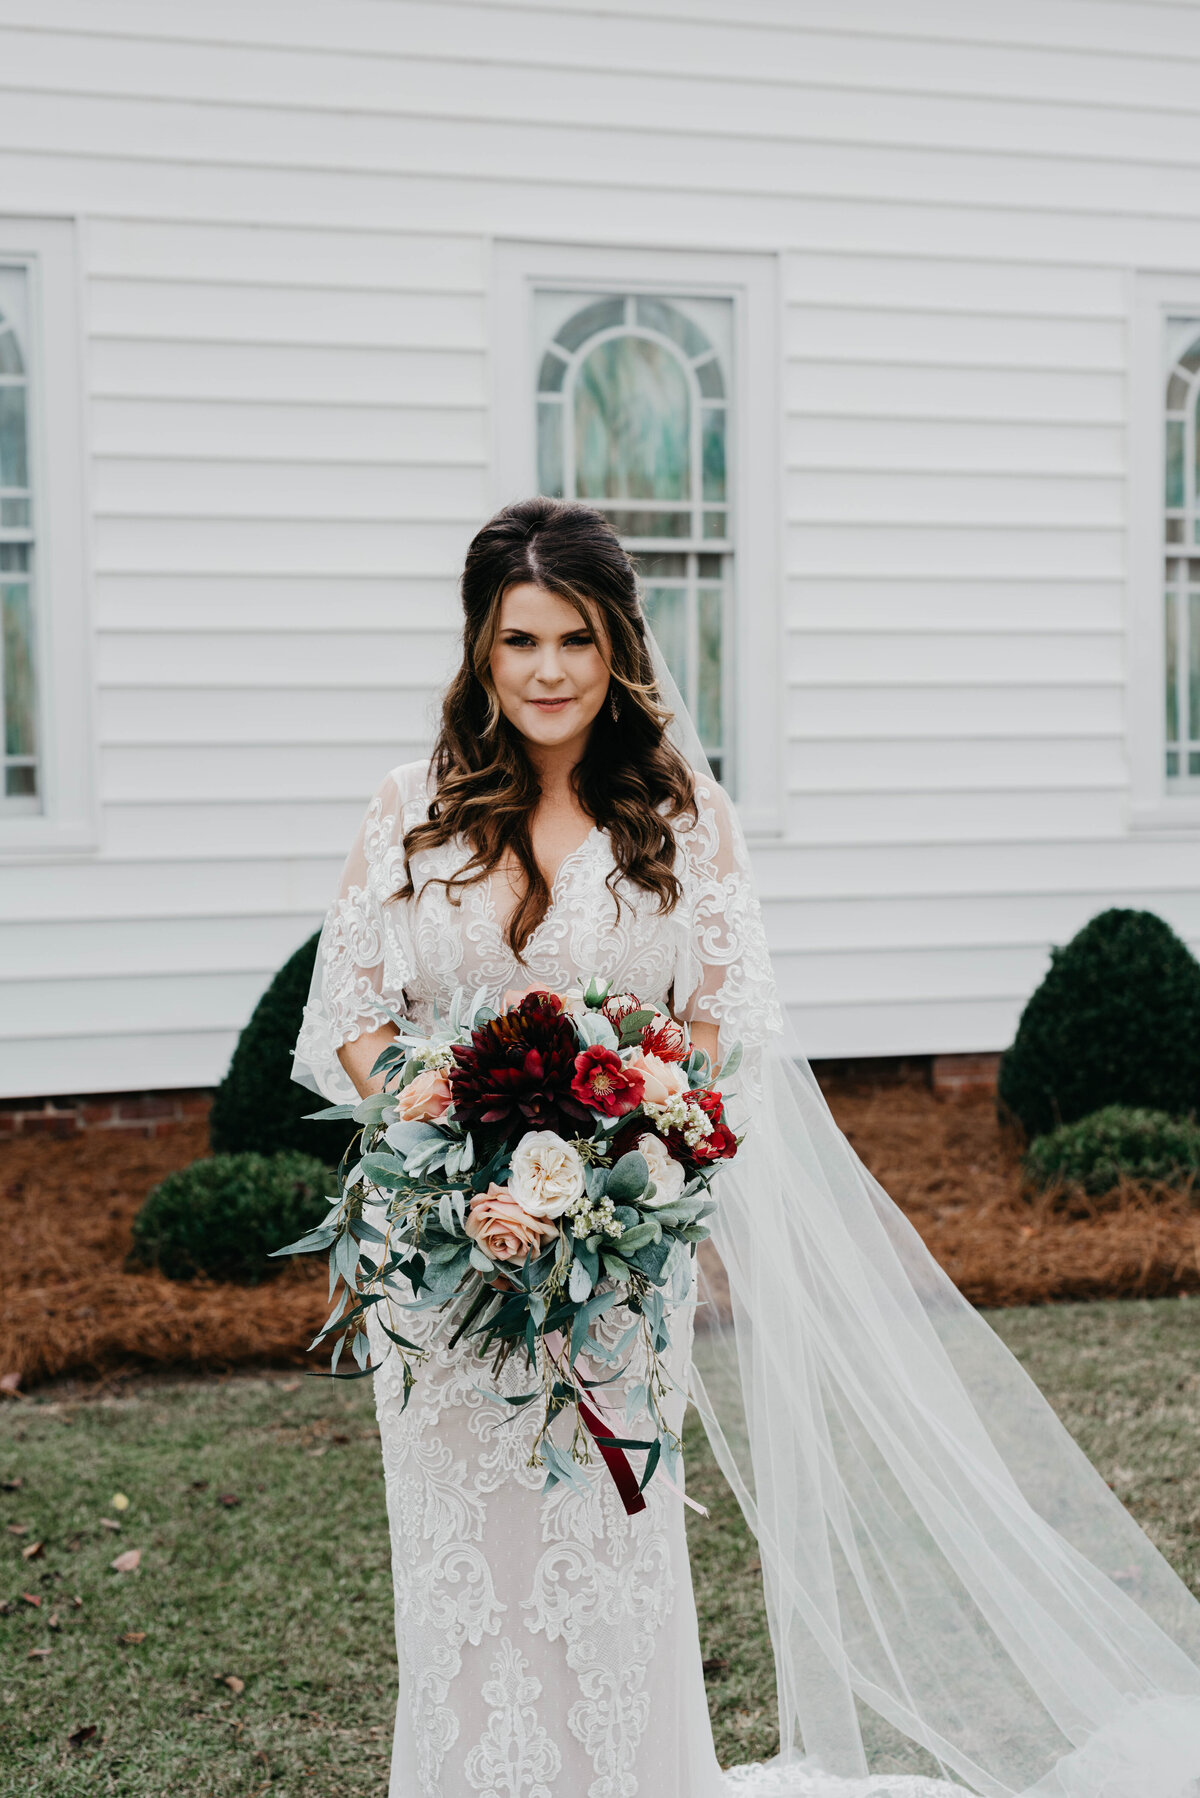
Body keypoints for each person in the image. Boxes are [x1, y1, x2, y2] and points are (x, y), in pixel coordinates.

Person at [294, 498, 1200, 1798]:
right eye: (519, 641)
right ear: (480, 653)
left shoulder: (684, 816)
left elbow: (722, 1024)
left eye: (577, 641)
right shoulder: (409, 810)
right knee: (460, 1567)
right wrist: (435, 1121)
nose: (548, 670)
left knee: (606, 1549)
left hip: (614, 1250)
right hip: (442, 1259)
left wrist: (630, 1138)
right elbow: (354, 1022)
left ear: (620, 650)